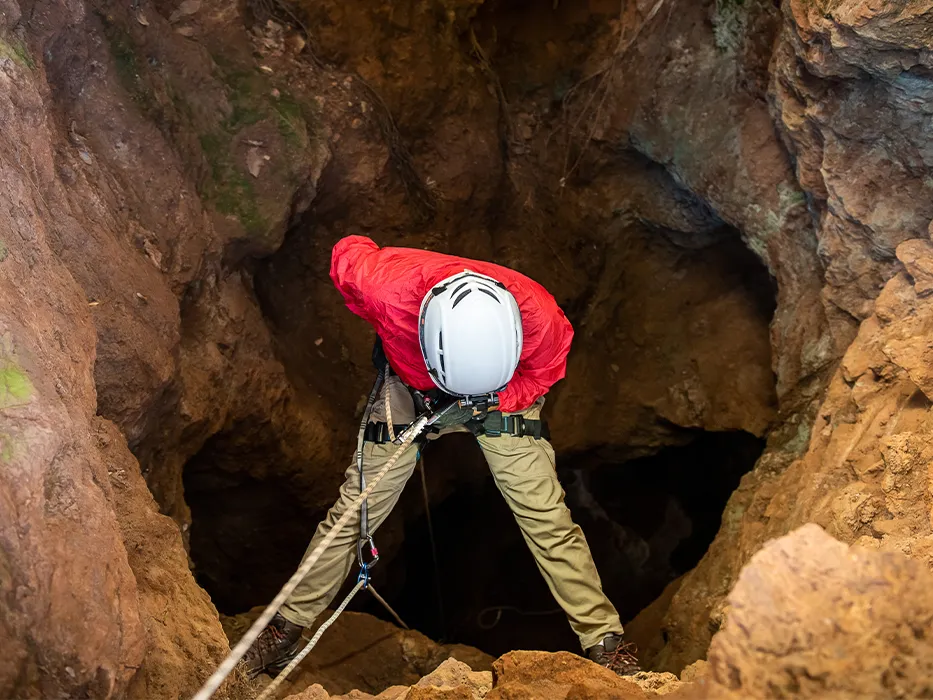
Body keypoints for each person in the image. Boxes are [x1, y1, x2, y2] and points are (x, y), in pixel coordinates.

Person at [243, 235, 640, 677]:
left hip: (500, 398)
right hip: (412, 391)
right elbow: (347, 249)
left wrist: (498, 398)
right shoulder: (384, 287)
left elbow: (545, 372)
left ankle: (604, 641)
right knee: (355, 511)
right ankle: (285, 628)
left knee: (545, 516)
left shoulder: (541, 320)